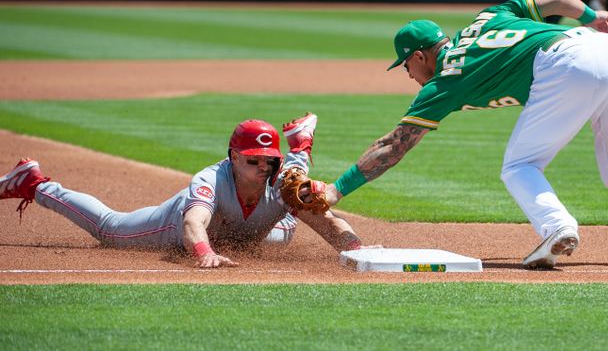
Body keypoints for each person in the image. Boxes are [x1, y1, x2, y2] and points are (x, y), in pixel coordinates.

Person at [312, 0, 608, 269]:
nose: (407, 74)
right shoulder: (487, 16)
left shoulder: (444, 80)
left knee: (519, 165)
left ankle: (557, 228)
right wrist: (592, 16)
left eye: (405, 64)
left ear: (422, 55)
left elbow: (394, 145)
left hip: (568, 65)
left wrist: (336, 190)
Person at [0, 113, 369, 268]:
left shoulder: (280, 180)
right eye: (253, 160)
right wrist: (205, 253)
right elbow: (194, 221)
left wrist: (357, 251)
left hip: (250, 225)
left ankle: (300, 148)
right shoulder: (210, 179)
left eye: (268, 160)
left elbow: (326, 220)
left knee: (297, 203)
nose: (262, 168)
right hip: (175, 227)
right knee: (109, 229)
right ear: (233, 156)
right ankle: (35, 183)